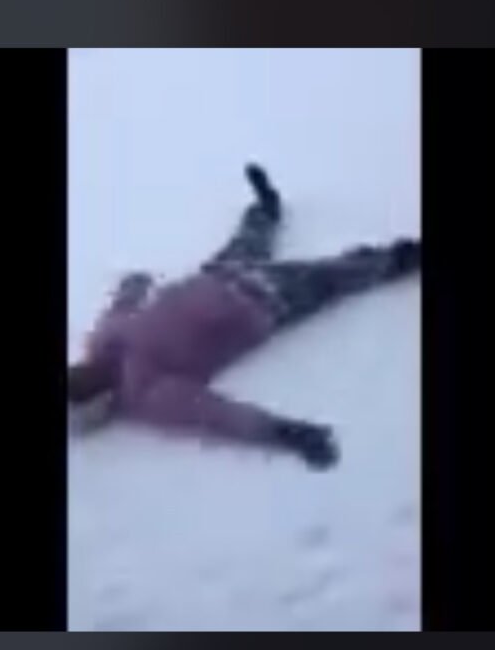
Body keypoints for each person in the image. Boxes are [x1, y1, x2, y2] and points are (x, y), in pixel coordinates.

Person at [69, 165, 421, 469]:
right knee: (330, 275)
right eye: (82, 383)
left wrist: (132, 285)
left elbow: (121, 308)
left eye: (74, 372)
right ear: (100, 400)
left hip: (217, 274)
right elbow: (212, 415)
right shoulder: (147, 392)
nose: (83, 370)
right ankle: (398, 259)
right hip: (260, 301)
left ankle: (266, 209)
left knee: (248, 240)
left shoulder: (103, 341)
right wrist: (284, 433)